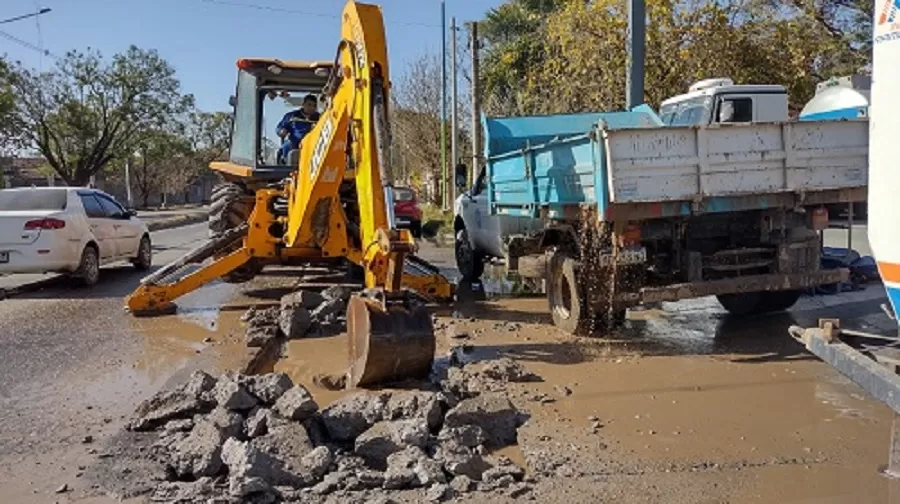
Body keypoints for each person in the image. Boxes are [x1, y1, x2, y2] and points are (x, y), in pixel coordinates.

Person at [277, 93, 320, 164]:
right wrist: (281, 131)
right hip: (295, 144)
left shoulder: (320, 118)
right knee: (287, 144)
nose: (312, 108)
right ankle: (286, 163)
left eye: (314, 106)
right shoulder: (292, 116)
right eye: (309, 105)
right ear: (303, 105)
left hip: (313, 144)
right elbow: (280, 127)